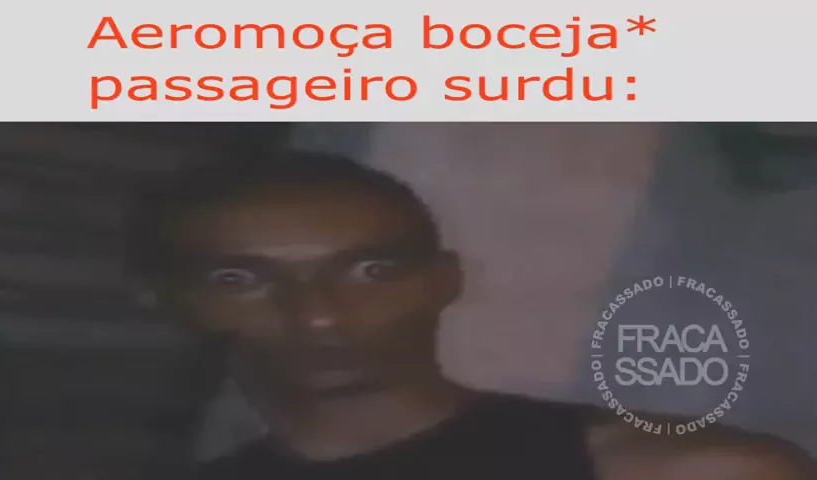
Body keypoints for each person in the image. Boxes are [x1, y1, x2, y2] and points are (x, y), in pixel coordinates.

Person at [126, 149, 814, 480]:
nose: (319, 316)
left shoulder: (687, 471)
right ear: (166, 300)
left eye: (371, 271)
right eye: (241, 280)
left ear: (444, 280)